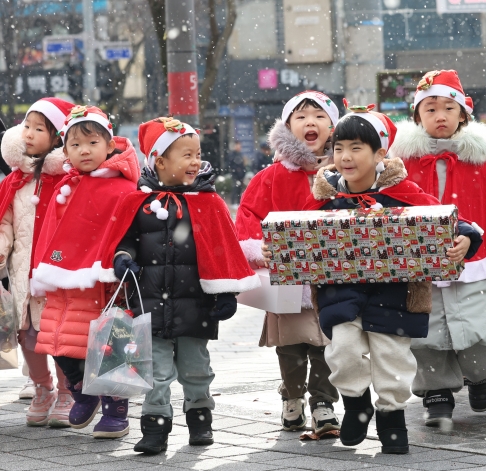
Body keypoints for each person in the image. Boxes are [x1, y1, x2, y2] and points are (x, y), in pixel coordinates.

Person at [304, 105, 482, 453]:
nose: (345, 156)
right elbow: (292, 231)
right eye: (338, 148)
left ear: (379, 153)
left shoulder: (404, 193)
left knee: (392, 358)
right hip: (340, 296)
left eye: (356, 148)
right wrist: (274, 250)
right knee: (342, 351)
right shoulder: (325, 199)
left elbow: (445, 219)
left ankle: (391, 415)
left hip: (396, 296)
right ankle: (356, 404)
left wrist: (465, 238)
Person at [97, 117, 260, 454]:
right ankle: (155, 429)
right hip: (149, 305)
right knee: (155, 373)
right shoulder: (138, 203)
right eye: (186, 155)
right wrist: (122, 257)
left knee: (196, 370)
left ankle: (200, 419)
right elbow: (123, 239)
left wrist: (226, 292)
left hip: (195, 308)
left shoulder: (208, 202)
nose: (195, 161)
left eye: (197, 154)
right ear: (160, 161)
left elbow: (222, 252)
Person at [390, 70, 486, 426]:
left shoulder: (478, 164)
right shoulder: (402, 166)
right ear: (417, 116)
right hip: (421, 268)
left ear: (462, 114)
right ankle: (436, 393)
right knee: (427, 331)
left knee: (476, 328)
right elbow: (391, 207)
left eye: (448, 108)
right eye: (430, 108)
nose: (440, 115)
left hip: (472, 261)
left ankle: (480, 375)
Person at [235, 91, 341, 435]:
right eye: (301, 116)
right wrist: (257, 248)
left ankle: (323, 402)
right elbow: (248, 215)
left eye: (318, 116)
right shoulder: (270, 177)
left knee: (329, 343)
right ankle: (292, 396)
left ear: (332, 125)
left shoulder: (344, 172)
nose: (310, 122)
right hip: (287, 278)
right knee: (291, 346)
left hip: (333, 276)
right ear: (288, 126)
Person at [31, 105, 140, 438]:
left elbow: (129, 230)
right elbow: (49, 232)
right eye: (75, 145)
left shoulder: (122, 187)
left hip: (104, 283)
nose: (84, 150)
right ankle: (81, 391)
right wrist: (40, 270)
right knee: (59, 342)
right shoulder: (67, 185)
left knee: (109, 343)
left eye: (92, 142)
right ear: (65, 151)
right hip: (63, 283)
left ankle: (115, 407)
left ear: (110, 145)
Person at [0, 98, 75, 426]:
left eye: (39, 128)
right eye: (26, 126)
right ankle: (43, 387)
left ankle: (68, 391)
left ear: (57, 136)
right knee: (27, 335)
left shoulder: (68, 180)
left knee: (58, 336)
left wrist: (61, 259)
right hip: (22, 273)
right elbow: (6, 222)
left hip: (56, 272)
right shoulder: (15, 180)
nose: (28, 133)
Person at [228, 141, 246, 205]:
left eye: (240, 146)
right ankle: (233, 203)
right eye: (237, 146)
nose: (239, 147)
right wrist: (236, 170)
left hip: (241, 175)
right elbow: (231, 164)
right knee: (235, 188)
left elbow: (243, 165)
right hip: (235, 174)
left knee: (240, 189)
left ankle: (238, 202)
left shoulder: (240, 154)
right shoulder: (232, 154)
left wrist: (243, 172)